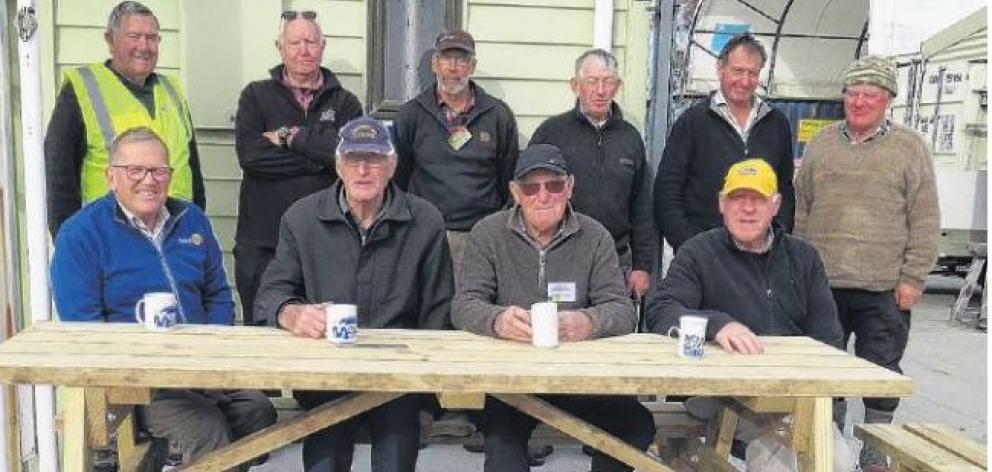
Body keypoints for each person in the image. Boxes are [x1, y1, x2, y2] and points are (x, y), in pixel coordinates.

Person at [50, 127, 276, 471]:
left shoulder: (191, 220)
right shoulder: (81, 234)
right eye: (135, 170)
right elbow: (85, 328)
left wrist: (208, 356)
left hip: (202, 370)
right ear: (111, 176)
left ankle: (174, 461)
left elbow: (217, 295)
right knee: (207, 430)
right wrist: (156, 369)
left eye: (158, 171)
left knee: (257, 412)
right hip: (138, 384)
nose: (149, 181)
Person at [254, 116, 453, 472]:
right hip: (327, 374)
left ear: (391, 166)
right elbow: (271, 291)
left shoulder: (425, 220)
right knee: (324, 465)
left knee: (395, 462)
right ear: (338, 166)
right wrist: (292, 313)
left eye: (374, 159)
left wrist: (428, 398)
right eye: (353, 159)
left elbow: (438, 310)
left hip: (400, 377)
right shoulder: (302, 218)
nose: (363, 170)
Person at [452, 144, 655, 472]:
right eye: (532, 187)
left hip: (583, 382)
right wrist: (498, 320)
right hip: (511, 384)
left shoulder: (595, 236)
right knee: (503, 446)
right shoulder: (488, 233)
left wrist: (587, 322)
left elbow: (622, 309)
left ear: (570, 187)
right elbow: (463, 305)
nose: (543, 195)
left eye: (554, 185)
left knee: (636, 424)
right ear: (515, 192)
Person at [795, 56, 939, 472]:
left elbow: (926, 216)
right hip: (824, 286)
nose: (859, 102)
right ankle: (832, 445)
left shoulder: (910, 148)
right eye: (853, 93)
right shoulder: (821, 143)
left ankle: (877, 451)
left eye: (870, 95)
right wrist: (802, 269)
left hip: (885, 287)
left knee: (882, 370)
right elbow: (802, 206)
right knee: (828, 370)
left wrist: (913, 277)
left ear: (888, 100)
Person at [645, 158, 843, 457]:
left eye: (758, 199)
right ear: (722, 204)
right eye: (738, 198)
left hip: (792, 399)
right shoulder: (697, 252)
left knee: (838, 460)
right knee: (784, 462)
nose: (747, 209)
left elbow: (828, 339)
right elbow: (662, 310)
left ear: (775, 205)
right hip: (722, 400)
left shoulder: (804, 257)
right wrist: (718, 324)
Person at [233, 9, 362, 325]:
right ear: (280, 48)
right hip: (263, 241)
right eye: (295, 43)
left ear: (323, 46)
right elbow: (251, 157)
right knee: (263, 328)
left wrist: (289, 137)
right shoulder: (255, 96)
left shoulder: (346, 103)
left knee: (322, 328)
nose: (304, 50)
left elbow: (347, 159)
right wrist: (321, 159)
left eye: (311, 41)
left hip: (325, 241)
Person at [45, 0, 205, 237]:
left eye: (152, 38)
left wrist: (197, 224)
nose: (144, 46)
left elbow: (192, 169)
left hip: (175, 237)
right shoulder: (84, 89)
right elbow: (60, 177)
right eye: (134, 36)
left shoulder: (172, 91)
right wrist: (70, 245)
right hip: (111, 241)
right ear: (110, 41)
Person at [529, 49, 657, 300]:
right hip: (561, 255)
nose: (600, 90)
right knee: (564, 329)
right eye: (592, 81)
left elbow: (642, 206)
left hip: (615, 260)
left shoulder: (630, 137)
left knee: (612, 329)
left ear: (617, 86)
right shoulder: (552, 132)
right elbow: (527, 195)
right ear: (575, 86)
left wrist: (643, 266)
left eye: (608, 82)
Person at [392, 28, 519, 277]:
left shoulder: (497, 115)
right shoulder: (411, 115)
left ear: (472, 66)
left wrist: (497, 228)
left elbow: (510, 178)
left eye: (461, 59)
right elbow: (398, 178)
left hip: (480, 236)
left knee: (474, 309)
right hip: (425, 233)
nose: (453, 67)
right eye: (446, 58)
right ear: (434, 64)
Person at [654, 33, 794, 252]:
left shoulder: (777, 123)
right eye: (738, 71)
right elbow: (667, 192)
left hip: (761, 257)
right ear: (720, 68)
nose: (745, 81)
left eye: (753, 73)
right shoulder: (693, 122)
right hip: (703, 254)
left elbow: (784, 188)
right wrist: (691, 246)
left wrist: (777, 238)